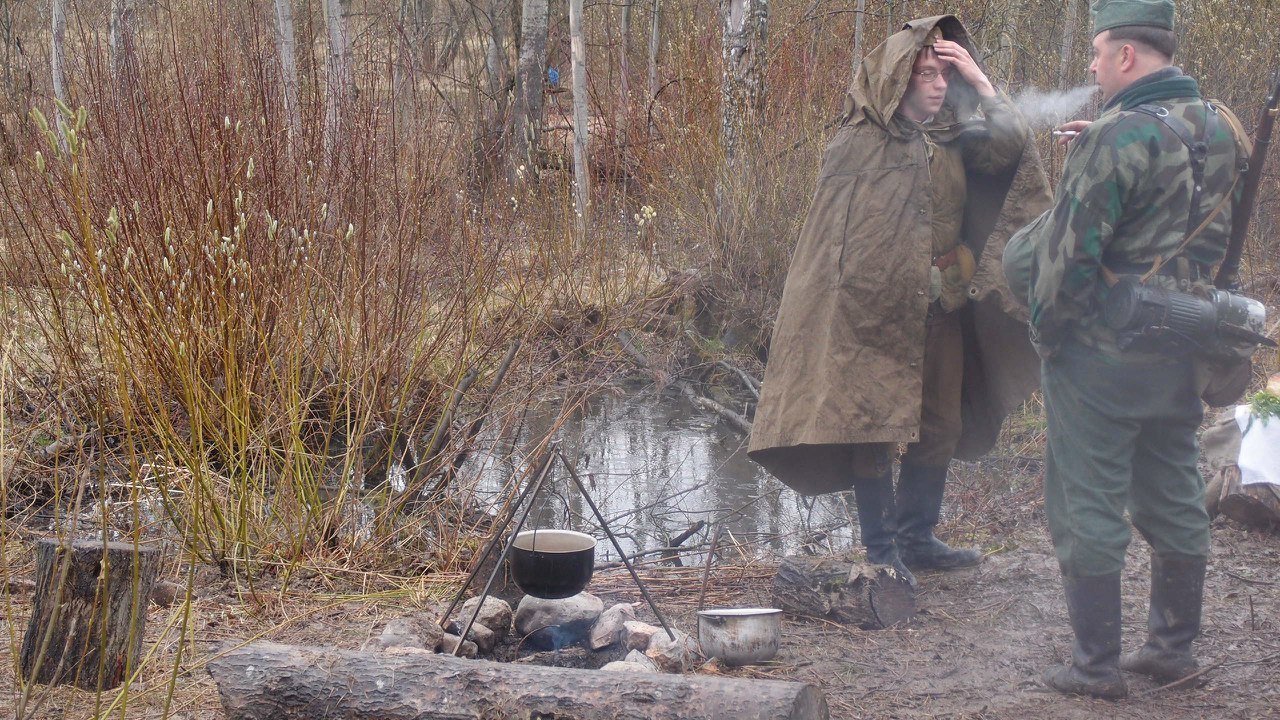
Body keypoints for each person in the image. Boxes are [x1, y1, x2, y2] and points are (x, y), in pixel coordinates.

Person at [748, 16, 1052, 586]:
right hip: (871, 313)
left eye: (945, 74)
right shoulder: (856, 143)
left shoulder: (957, 140)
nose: (939, 85)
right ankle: (881, 548)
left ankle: (918, 538)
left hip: (942, 307)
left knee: (938, 423)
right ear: (896, 79)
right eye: (927, 73)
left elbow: (1010, 153)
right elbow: (834, 248)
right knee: (871, 423)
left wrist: (982, 83)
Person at [1005, 0, 1248, 699]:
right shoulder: (1218, 126)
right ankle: (1173, 649)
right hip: (1184, 339)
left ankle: (1094, 667)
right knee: (1173, 483)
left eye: (1096, 50)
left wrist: (1047, 335)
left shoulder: (1119, 137)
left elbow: (1066, 259)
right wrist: (1099, 144)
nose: (1089, 65)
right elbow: (1189, 211)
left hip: (1101, 352)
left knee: (1087, 496)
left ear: (1127, 57)